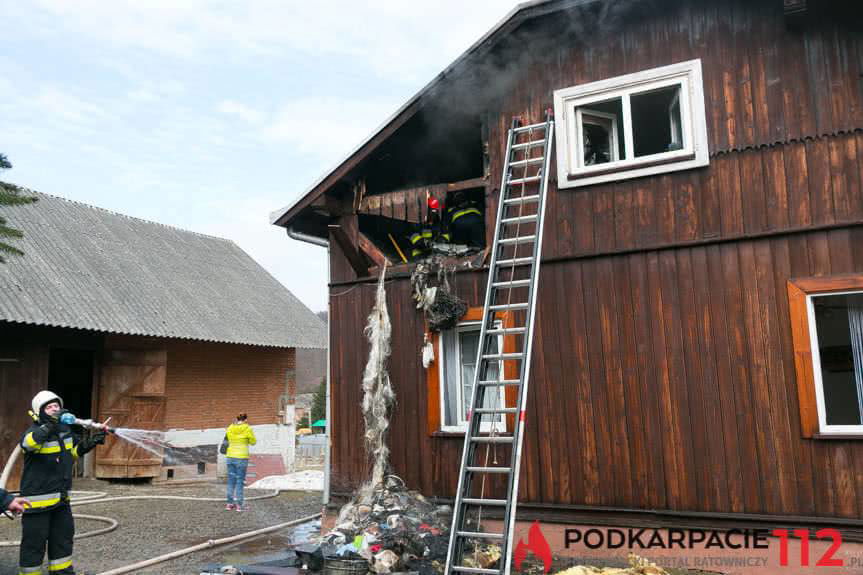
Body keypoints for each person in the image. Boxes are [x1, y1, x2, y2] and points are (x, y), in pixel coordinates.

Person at [19, 390, 105, 575]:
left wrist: (91, 442)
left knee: (63, 541)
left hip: (61, 502)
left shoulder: (65, 431)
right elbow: (28, 444)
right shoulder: (34, 433)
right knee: (34, 546)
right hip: (37, 505)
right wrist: (50, 424)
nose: (54, 409)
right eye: (49, 407)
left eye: (56, 406)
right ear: (40, 412)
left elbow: (72, 453)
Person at [224, 413, 256, 512]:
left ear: (237, 419)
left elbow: (228, 439)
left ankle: (229, 504)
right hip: (241, 458)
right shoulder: (247, 428)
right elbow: (253, 442)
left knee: (231, 481)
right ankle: (239, 505)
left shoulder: (230, 427)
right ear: (245, 419)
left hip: (230, 456)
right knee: (239, 481)